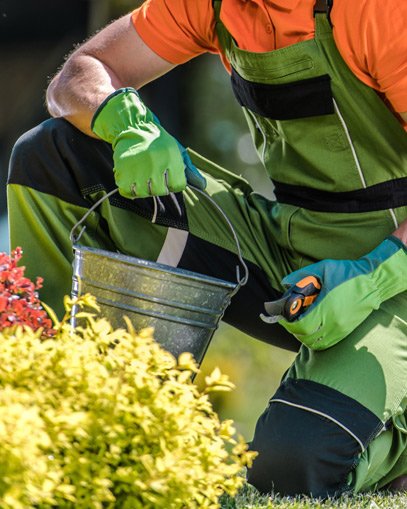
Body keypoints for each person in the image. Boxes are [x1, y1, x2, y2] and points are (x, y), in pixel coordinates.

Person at [7, 0, 407, 498]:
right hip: (288, 246)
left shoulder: (377, 13)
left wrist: (374, 276)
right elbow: (80, 74)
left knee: (294, 462)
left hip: (395, 276)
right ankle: (64, 403)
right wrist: (122, 118)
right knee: (51, 157)